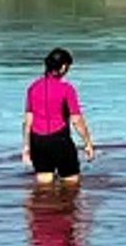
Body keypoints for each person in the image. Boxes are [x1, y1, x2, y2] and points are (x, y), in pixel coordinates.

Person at [22, 48, 95, 185]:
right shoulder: (66, 89)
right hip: (59, 140)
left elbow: (28, 121)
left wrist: (26, 146)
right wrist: (88, 143)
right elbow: (76, 120)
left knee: (43, 187)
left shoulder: (33, 88)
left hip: (37, 141)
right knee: (71, 185)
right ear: (63, 67)